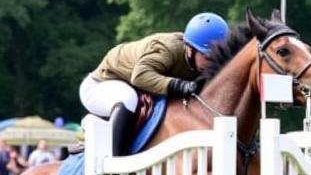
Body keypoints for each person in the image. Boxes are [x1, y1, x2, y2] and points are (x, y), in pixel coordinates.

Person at [79, 12, 230, 158]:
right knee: (128, 98)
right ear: (190, 49)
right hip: (102, 85)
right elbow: (139, 77)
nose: (212, 63)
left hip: (137, 87)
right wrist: (178, 86)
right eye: (207, 56)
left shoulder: (201, 60)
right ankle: (115, 163)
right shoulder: (167, 49)